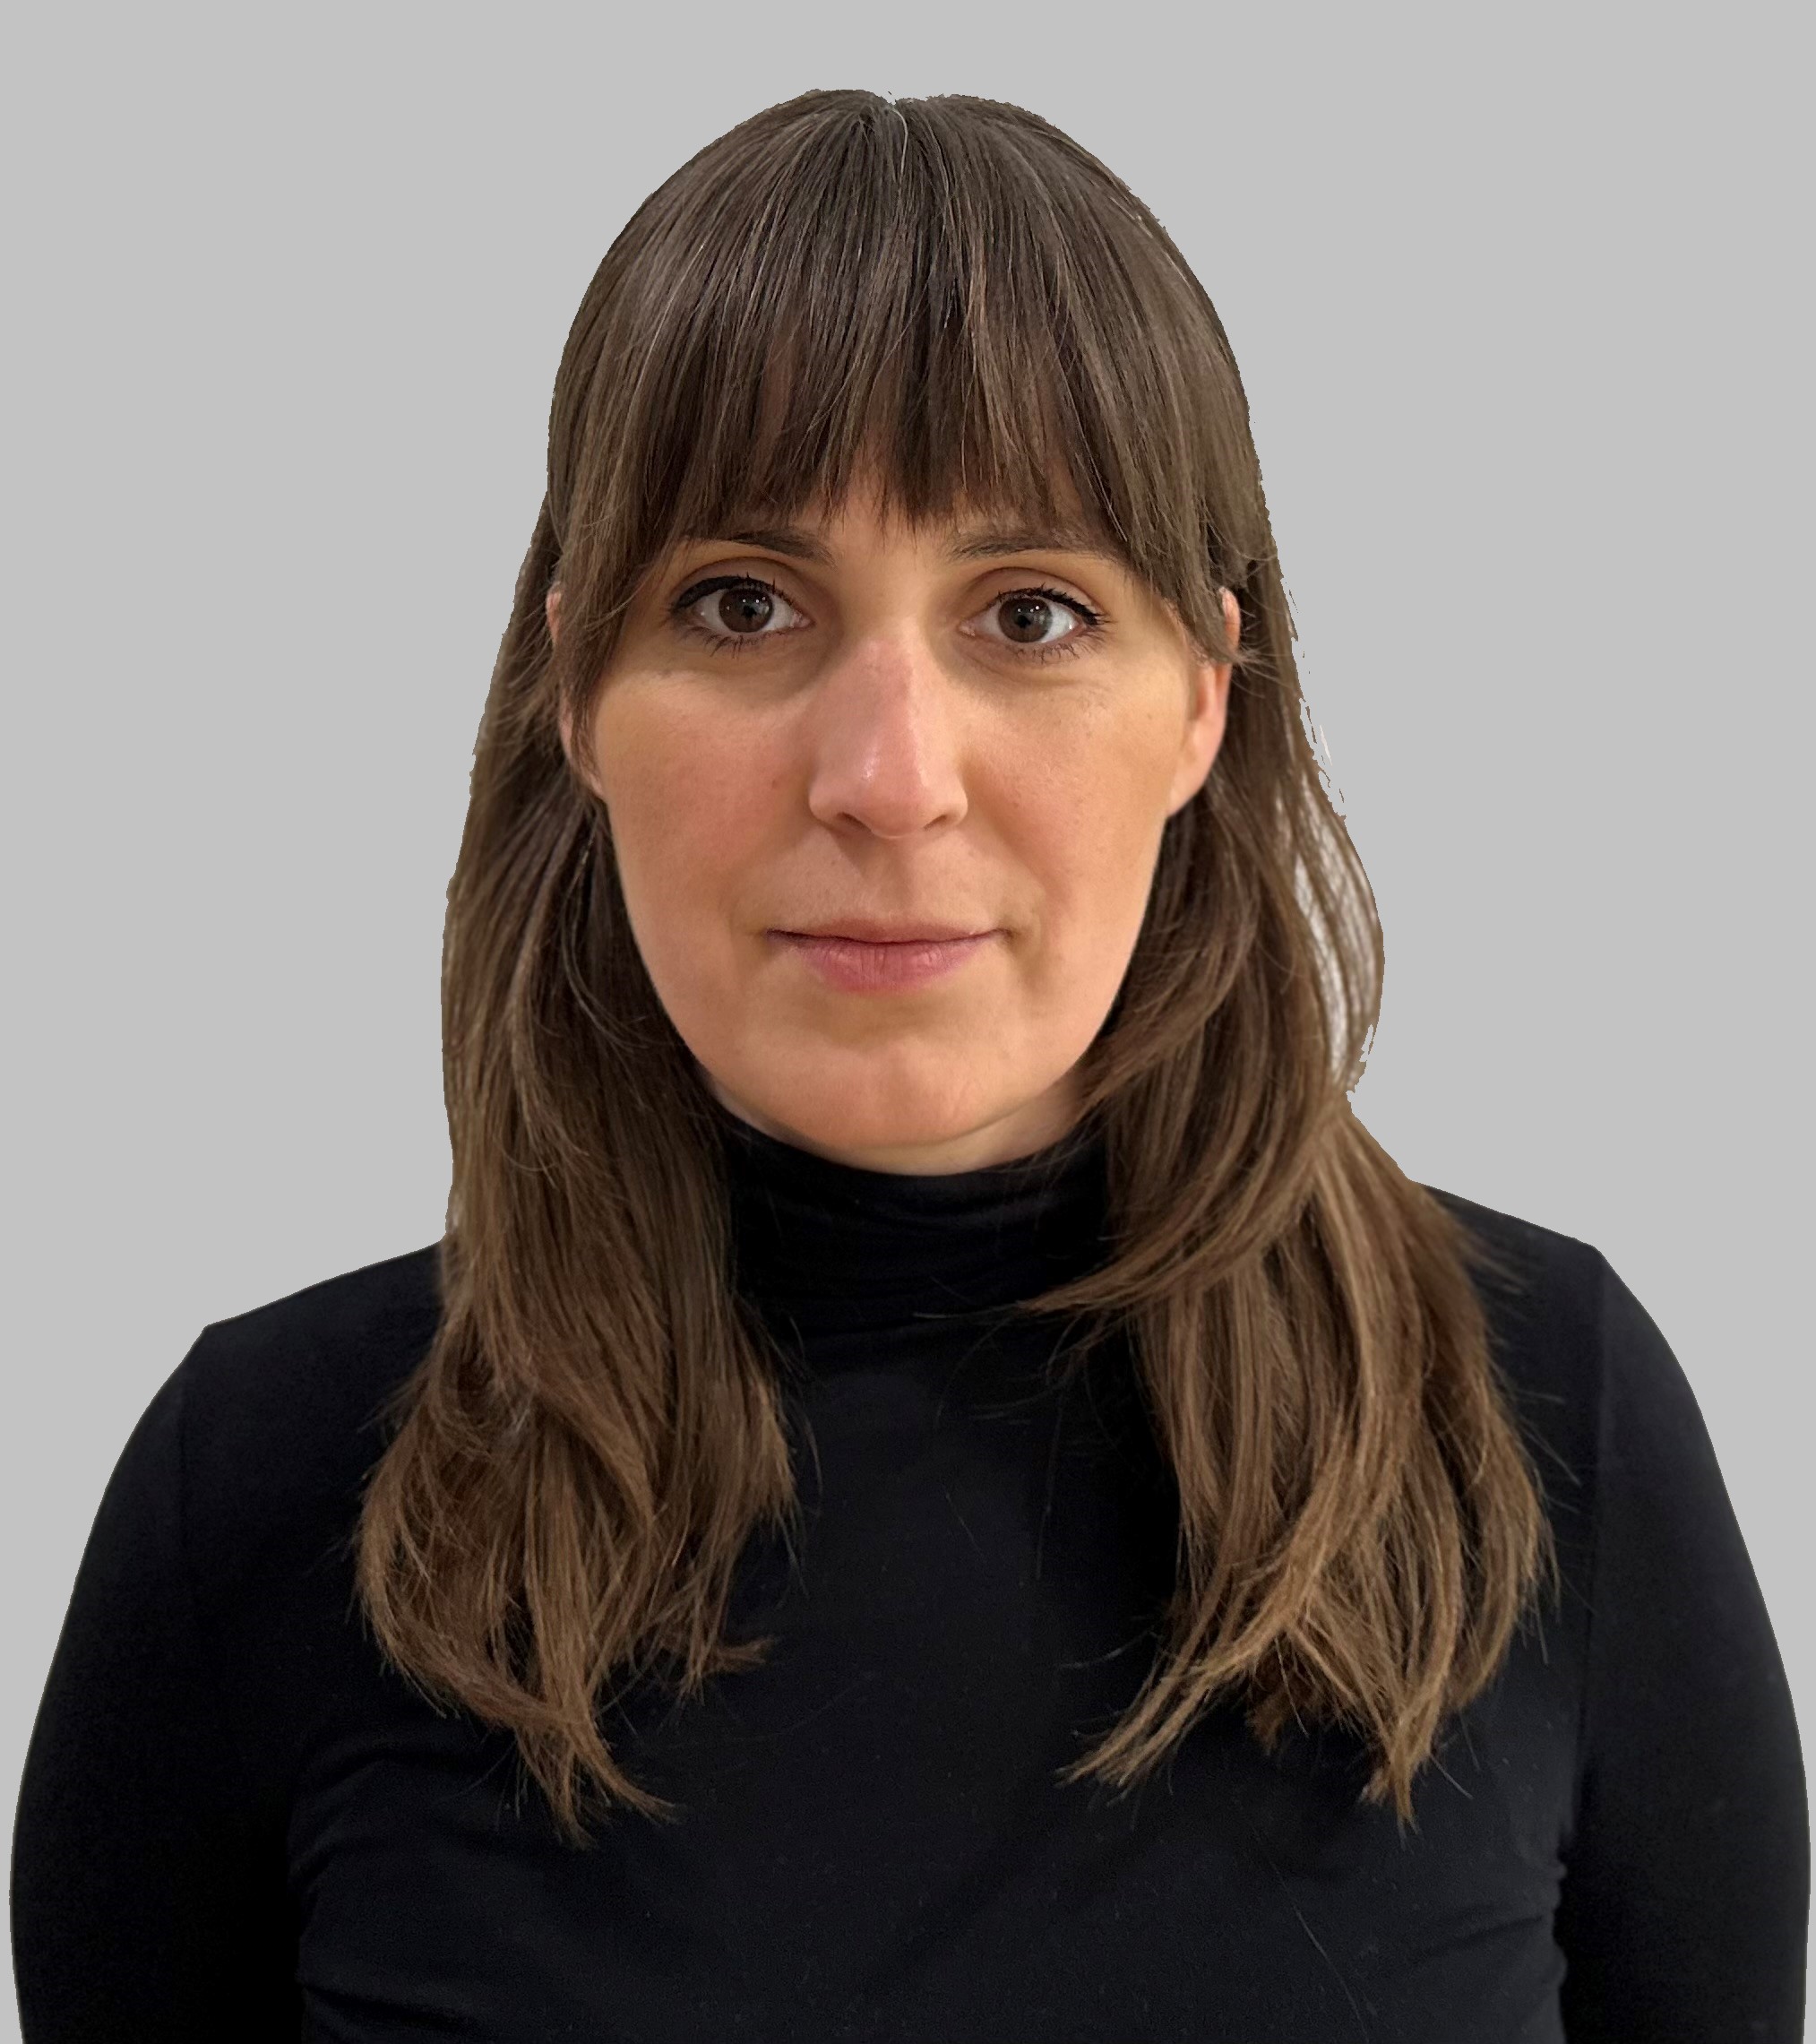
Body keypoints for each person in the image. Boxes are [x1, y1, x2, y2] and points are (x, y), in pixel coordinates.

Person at [9, 86, 1807, 2044]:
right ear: (574, 689)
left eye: (1030, 614)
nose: (887, 776)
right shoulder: (265, 1487)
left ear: (1205, 699)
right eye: (743, 605)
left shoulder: (1543, 1419)